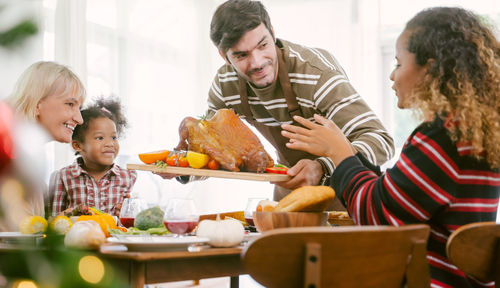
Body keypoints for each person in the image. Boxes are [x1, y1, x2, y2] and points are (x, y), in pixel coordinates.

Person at [281, 7, 500, 287]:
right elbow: (398, 197)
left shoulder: (442, 138)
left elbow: (377, 217)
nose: (392, 77)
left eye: (398, 63)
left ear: (429, 70)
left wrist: (339, 153)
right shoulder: (473, 134)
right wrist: (348, 155)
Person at [173, 0, 395, 207]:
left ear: (272, 32)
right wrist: (179, 168)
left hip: (347, 198)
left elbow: (381, 140)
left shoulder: (316, 74)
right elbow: (212, 149)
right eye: (241, 55)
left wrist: (321, 167)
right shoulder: (225, 84)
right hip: (290, 197)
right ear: (224, 56)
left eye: (262, 45)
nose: (257, 62)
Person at [5, 61, 86, 222]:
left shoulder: (30, 162)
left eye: (79, 108)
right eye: (70, 104)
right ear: (37, 104)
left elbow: (27, 232)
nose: (79, 119)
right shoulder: (9, 159)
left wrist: (60, 221)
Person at [48, 97, 137, 217]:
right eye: (100, 138)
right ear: (78, 145)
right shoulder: (63, 177)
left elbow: (132, 223)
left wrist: (127, 214)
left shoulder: (128, 177)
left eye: (114, 138)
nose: (110, 144)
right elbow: (53, 221)